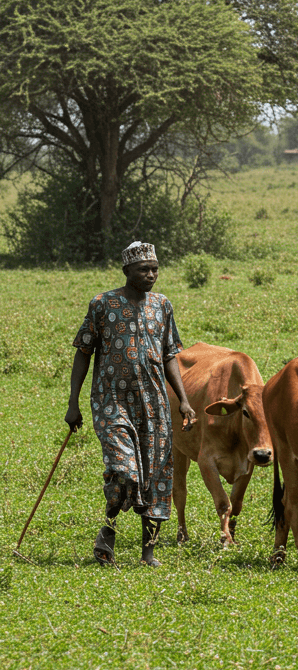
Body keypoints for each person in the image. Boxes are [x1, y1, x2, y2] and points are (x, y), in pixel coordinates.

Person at [65, 241, 196, 567]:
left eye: (154, 269)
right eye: (143, 269)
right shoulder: (102, 304)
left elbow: (169, 355)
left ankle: (148, 553)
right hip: (111, 402)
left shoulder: (162, 306)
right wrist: (73, 403)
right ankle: (108, 530)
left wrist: (184, 401)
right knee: (124, 470)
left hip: (154, 405)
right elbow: (84, 352)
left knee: (156, 478)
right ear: (126, 271)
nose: (151, 275)